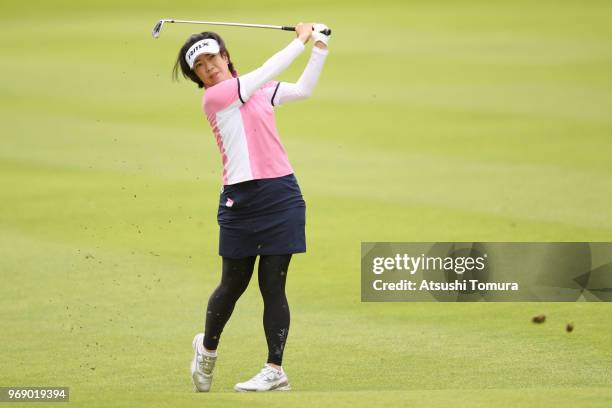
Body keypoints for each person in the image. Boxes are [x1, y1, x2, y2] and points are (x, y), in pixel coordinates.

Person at [172, 22, 330, 392]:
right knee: (233, 283)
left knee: (273, 285)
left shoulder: (257, 91)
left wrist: (320, 49)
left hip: (281, 195)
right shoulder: (217, 97)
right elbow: (266, 71)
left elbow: (303, 90)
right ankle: (207, 349)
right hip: (239, 200)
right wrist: (301, 39)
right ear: (197, 76)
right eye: (201, 66)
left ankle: (274, 370)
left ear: (225, 57)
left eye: (213, 58)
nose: (209, 67)